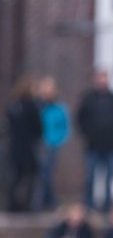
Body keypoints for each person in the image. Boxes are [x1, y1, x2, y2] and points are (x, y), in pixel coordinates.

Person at [76, 68, 113, 213]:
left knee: (109, 179)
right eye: (100, 78)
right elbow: (80, 119)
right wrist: (87, 133)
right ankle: (89, 206)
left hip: (111, 146)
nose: (102, 81)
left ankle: (107, 208)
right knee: (90, 178)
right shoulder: (88, 99)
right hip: (93, 146)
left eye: (104, 78)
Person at [5, 75, 43, 212]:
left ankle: (13, 205)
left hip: (15, 147)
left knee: (16, 178)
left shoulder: (13, 106)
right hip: (29, 148)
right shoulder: (32, 106)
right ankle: (28, 206)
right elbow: (38, 128)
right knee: (30, 177)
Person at [36, 76, 71, 211]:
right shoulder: (37, 106)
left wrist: (57, 140)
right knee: (40, 175)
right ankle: (47, 202)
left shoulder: (59, 108)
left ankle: (47, 202)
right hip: (38, 144)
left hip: (51, 145)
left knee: (47, 173)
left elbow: (64, 127)